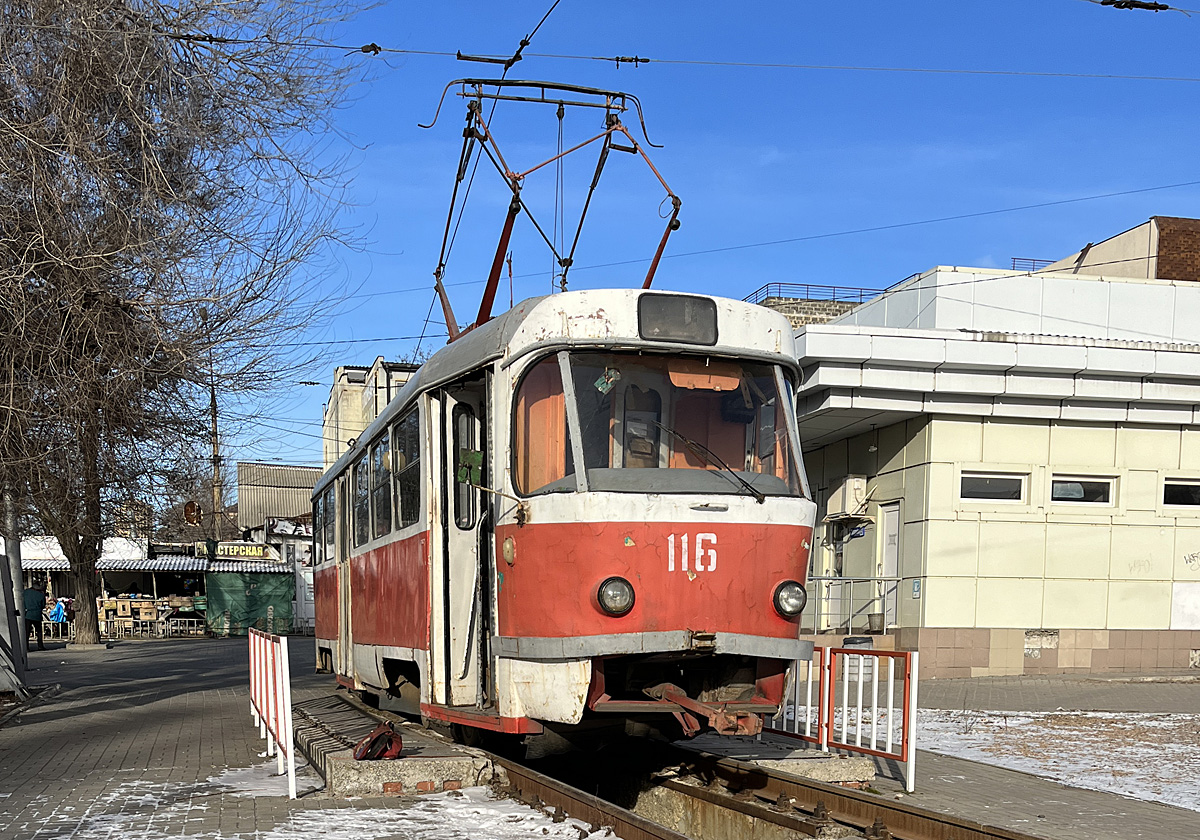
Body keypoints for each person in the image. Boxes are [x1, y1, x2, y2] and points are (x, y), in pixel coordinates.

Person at [23, 579, 47, 651]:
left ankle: (26, 647)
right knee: (39, 631)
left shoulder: (25, 592)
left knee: (26, 632)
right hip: (37, 614)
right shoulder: (41, 595)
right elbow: (43, 605)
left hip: (27, 614)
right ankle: (40, 646)